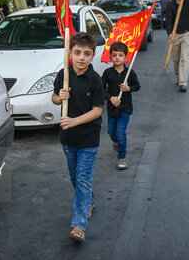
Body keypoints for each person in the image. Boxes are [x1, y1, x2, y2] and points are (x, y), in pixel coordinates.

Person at [51, 32, 104, 243]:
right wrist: (59, 97)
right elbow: (54, 98)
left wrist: (74, 121)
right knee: (75, 178)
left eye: (87, 54)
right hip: (68, 139)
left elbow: (97, 110)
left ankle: (79, 225)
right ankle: (89, 200)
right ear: (70, 52)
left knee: (82, 179)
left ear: (93, 55)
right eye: (77, 53)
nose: (81, 58)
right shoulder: (63, 75)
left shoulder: (95, 80)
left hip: (89, 138)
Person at [101, 42, 140, 170]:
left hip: (125, 107)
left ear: (126, 58)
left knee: (121, 132)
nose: (117, 58)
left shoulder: (130, 73)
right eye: (114, 55)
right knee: (112, 132)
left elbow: (137, 86)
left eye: (120, 55)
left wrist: (128, 88)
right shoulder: (107, 73)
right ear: (110, 57)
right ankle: (115, 141)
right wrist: (110, 98)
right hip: (112, 107)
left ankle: (122, 158)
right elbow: (101, 89)